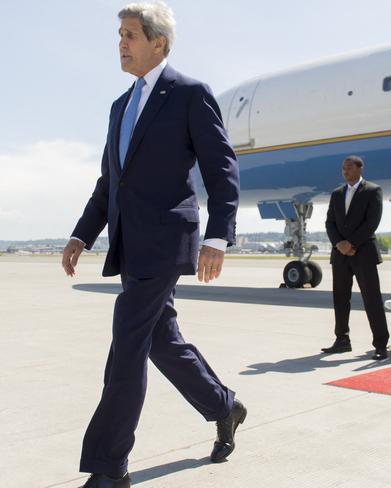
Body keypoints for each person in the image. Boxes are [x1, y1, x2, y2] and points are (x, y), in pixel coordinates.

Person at [61, 3, 246, 487]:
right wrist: (84, 232)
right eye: (119, 35)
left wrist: (219, 235)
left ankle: (109, 467)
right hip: (129, 242)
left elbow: (221, 169)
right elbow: (110, 183)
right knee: (161, 342)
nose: (121, 43)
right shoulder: (119, 107)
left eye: (130, 35)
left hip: (166, 240)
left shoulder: (188, 94)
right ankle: (224, 406)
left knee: (126, 346)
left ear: (158, 43)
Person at [322, 156, 390, 360]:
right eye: (343, 168)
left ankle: (380, 344)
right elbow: (329, 223)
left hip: (364, 253)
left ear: (360, 168)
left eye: (349, 168)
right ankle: (342, 340)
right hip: (340, 255)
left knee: (372, 299)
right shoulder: (336, 194)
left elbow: (372, 222)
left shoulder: (373, 190)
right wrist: (339, 244)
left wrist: (351, 243)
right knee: (340, 299)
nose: (345, 172)